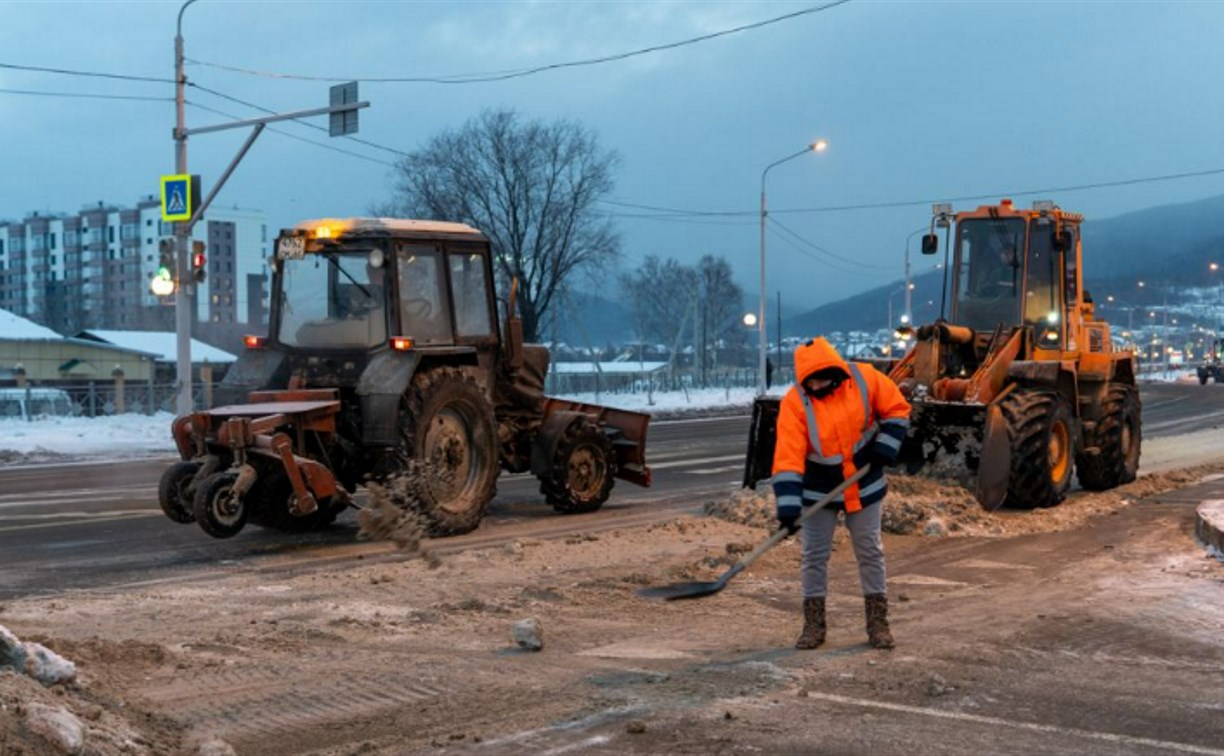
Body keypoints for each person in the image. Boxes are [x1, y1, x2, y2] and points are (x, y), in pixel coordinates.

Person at [771, 337, 911, 650]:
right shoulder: (795, 402)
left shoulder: (865, 378)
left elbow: (897, 410)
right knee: (813, 555)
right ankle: (813, 625)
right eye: (810, 381)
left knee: (869, 551)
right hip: (818, 488)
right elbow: (788, 457)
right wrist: (789, 507)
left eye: (822, 378)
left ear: (836, 372)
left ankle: (878, 623)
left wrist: (885, 446)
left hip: (864, 481)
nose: (816, 385)